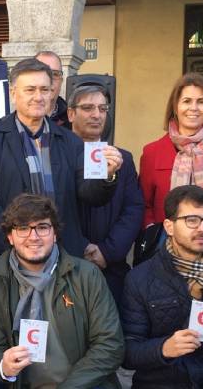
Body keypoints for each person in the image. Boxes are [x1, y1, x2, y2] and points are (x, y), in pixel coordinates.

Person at [0, 58, 119, 273]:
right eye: (30, 90)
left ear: (52, 93)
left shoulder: (71, 141)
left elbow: (90, 196)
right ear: (14, 94)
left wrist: (107, 176)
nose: (38, 97)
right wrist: (13, 249)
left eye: (44, 89)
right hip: (11, 260)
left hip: (63, 258)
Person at [0, 194, 125, 388]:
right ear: (10, 237)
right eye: (23, 228)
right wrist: (3, 367)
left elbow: (110, 345)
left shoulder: (86, 275)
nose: (34, 237)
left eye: (42, 227)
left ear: (55, 234)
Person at [121, 184, 203, 388]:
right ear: (169, 226)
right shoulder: (140, 278)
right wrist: (163, 348)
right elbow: (128, 351)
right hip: (160, 382)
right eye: (191, 220)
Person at [139, 73, 203, 256]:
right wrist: (154, 235)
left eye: (201, 102)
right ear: (175, 107)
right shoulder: (152, 153)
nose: (193, 108)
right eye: (186, 101)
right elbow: (143, 205)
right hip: (163, 254)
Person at [67, 82, 143, 300]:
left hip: (111, 267)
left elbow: (133, 209)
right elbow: (55, 206)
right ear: (71, 114)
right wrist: (81, 247)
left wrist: (107, 251)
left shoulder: (123, 159)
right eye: (88, 108)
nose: (97, 115)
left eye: (103, 109)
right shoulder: (57, 156)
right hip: (68, 262)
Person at [35, 50, 70, 128]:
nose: (49, 80)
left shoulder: (72, 120)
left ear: (61, 80)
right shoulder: (15, 122)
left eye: (55, 74)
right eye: (42, 73)